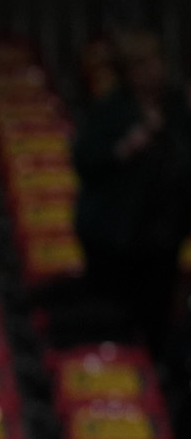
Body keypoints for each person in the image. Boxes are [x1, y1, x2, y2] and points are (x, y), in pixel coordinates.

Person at [73, 30, 191, 385]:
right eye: (141, 65)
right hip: (116, 233)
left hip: (165, 231)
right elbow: (85, 161)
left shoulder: (176, 107)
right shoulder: (111, 110)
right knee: (114, 314)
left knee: (158, 313)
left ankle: (157, 382)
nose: (151, 72)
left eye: (155, 63)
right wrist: (128, 146)